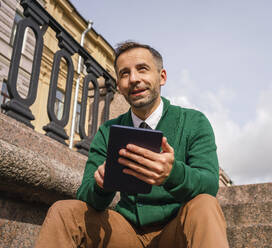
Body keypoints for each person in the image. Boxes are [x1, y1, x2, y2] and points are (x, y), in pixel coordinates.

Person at [35, 41, 229, 248]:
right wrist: (102, 184)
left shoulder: (194, 122)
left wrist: (172, 173)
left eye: (142, 69)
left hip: (177, 232)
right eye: (124, 74)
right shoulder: (107, 131)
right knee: (63, 211)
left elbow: (209, 183)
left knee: (206, 204)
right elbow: (86, 195)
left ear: (162, 76)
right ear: (118, 85)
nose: (134, 79)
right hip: (124, 234)